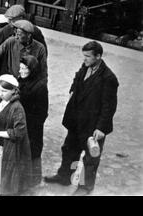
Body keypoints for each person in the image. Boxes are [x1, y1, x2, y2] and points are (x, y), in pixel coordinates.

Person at [44, 41, 119, 196]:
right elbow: (77, 79)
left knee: (90, 159)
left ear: (98, 56)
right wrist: (72, 89)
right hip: (76, 121)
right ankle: (65, 176)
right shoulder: (85, 66)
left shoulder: (108, 78)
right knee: (69, 150)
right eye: (83, 56)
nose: (84, 59)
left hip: (92, 126)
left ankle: (85, 187)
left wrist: (101, 128)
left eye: (87, 56)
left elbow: (109, 106)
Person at [0, 74, 32, 195]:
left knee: (6, 174)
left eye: (4, 91)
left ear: (13, 91)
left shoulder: (17, 108)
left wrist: (0, 133)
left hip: (9, 147)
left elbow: (20, 131)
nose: (1, 93)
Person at [18, 55, 48, 186]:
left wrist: (29, 122)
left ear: (33, 70)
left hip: (33, 126)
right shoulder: (21, 80)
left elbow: (42, 112)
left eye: (25, 68)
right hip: (22, 123)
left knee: (33, 151)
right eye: (20, 68)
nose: (21, 71)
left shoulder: (40, 86)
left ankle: (33, 181)